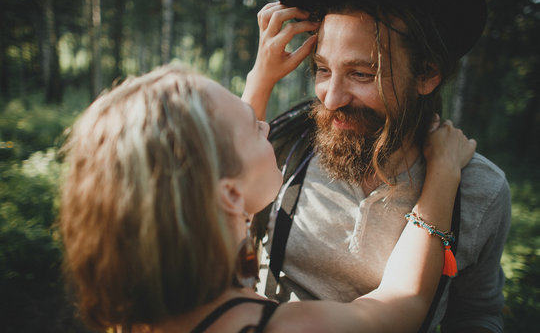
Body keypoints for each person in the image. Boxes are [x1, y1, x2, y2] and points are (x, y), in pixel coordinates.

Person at [60, 64, 475, 333]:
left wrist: (260, 75)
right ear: (229, 193)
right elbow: (401, 306)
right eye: (251, 124)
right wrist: (443, 174)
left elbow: (212, 168)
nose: (266, 126)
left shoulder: (144, 311)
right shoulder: (278, 328)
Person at [242, 0, 512, 332]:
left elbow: (479, 314)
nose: (331, 98)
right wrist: (259, 79)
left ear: (427, 74)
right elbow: (214, 198)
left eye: (361, 74)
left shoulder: (480, 190)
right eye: (323, 69)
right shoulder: (283, 145)